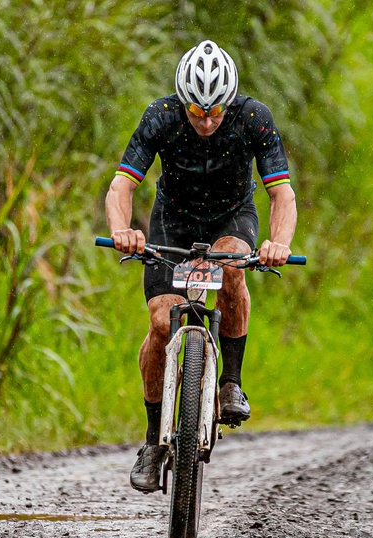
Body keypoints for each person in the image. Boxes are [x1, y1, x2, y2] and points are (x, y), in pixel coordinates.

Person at [105, 40, 297, 493]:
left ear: (229, 102)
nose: (207, 122)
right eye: (196, 111)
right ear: (182, 101)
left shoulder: (253, 118)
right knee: (160, 324)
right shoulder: (160, 116)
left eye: (215, 112)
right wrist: (122, 230)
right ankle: (153, 443)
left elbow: (282, 194)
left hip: (232, 217)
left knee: (232, 267)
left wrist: (278, 244)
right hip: (173, 221)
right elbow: (121, 186)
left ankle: (230, 382)